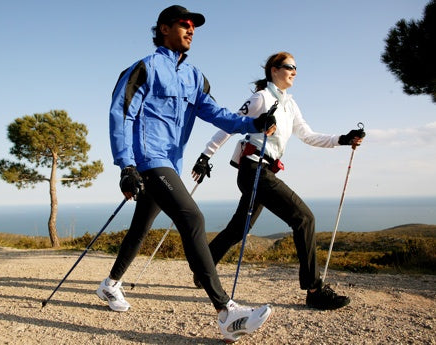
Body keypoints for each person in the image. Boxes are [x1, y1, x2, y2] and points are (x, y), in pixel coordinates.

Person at [96, 5, 276, 343]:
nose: (191, 30)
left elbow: (216, 112)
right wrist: (126, 166)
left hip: (170, 164)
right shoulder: (144, 69)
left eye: (194, 26)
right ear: (164, 28)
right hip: (148, 161)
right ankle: (226, 313)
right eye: (185, 24)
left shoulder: (195, 77)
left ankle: (110, 285)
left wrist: (252, 124)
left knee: (139, 229)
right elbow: (120, 114)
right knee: (192, 217)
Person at [191, 51, 365, 311]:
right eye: (289, 66)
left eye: (296, 68)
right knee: (304, 218)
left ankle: (203, 269)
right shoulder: (261, 98)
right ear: (274, 70)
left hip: (265, 171)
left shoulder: (290, 104)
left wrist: (343, 138)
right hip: (253, 170)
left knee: (239, 228)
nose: (294, 71)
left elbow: (308, 136)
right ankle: (314, 290)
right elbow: (230, 125)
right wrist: (205, 156)